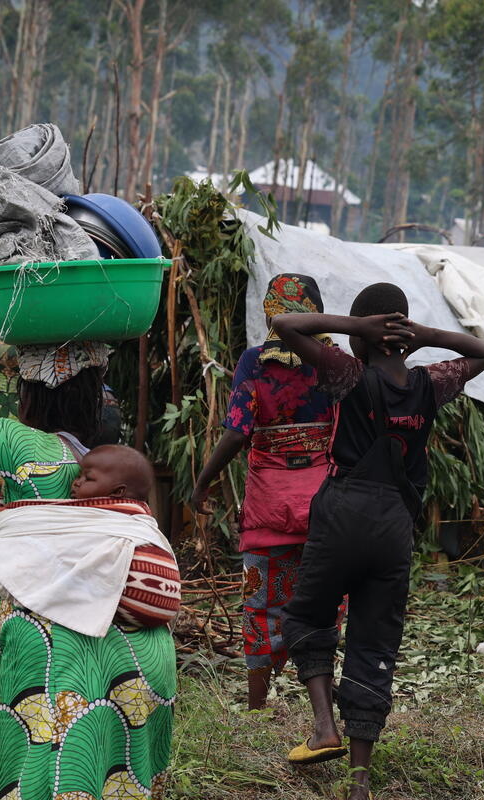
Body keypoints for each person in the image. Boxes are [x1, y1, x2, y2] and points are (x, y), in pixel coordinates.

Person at [0, 274, 175, 800]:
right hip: (144, 650)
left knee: (50, 774)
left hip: (58, 649)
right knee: (113, 773)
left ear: (26, 394)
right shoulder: (116, 465)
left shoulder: (19, 442)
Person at [272, 282, 484, 800]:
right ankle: (359, 782)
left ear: (362, 339)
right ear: (406, 338)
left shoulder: (348, 373)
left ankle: (324, 727)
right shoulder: (429, 383)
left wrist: (355, 329)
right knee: (375, 641)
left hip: (344, 510)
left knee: (307, 616)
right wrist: (424, 335)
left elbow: (285, 325)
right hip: (396, 524)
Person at [189, 273, 337, 710]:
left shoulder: (255, 362)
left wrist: (202, 483)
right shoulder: (338, 363)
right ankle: (323, 711)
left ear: (271, 313)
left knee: (260, 607)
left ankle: (257, 706)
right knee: (323, 608)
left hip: (268, 507)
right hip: (326, 507)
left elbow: (237, 433)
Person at [0, 445, 181, 635]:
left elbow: (36, 523)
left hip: (129, 592)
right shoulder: (115, 520)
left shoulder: (113, 518)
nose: (77, 482)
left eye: (88, 478)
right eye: (78, 476)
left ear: (118, 492)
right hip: (157, 599)